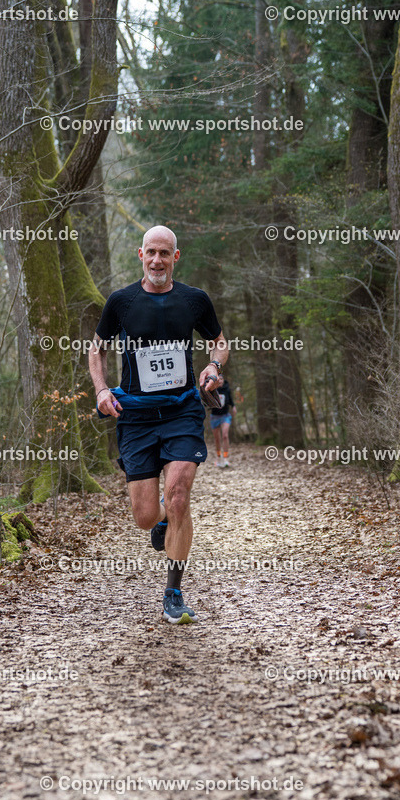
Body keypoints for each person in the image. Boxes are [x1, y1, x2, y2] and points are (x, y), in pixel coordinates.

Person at [88, 225, 228, 624]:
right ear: (140, 254)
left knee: (180, 493)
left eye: (165, 253)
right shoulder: (122, 302)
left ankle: (173, 593)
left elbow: (220, 341)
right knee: (146, 516)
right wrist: (101, 391)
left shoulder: (194, 300)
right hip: (137, 418)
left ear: (175, 257)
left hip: (183, 410)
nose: (157, 260)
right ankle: (162, 520)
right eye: (151, 252)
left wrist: (213, 365)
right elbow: (95, 349)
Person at [209, 378, 236, 467]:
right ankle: (218, 457)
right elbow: (207, 401)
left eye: (221, 379)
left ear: (223, 380)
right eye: (218, 379)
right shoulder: (212, 389)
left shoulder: (227, 389)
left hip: (225, 415)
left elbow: (231, 400)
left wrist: (233, 406)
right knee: (217, 439)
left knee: (225, 435)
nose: (220, 381)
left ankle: (225, 458)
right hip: (215, 416)